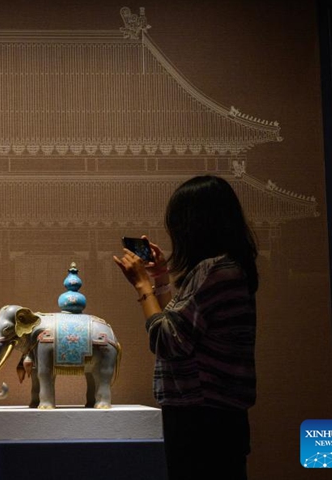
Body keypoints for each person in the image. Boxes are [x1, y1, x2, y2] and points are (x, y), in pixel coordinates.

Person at [113, 175, 258, 480]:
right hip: (216, 417)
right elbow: (181, 328)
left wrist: (143, 286)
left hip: (202, 417)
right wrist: (162, 280)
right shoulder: (226, 268)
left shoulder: (215, 271)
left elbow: (168, 340)